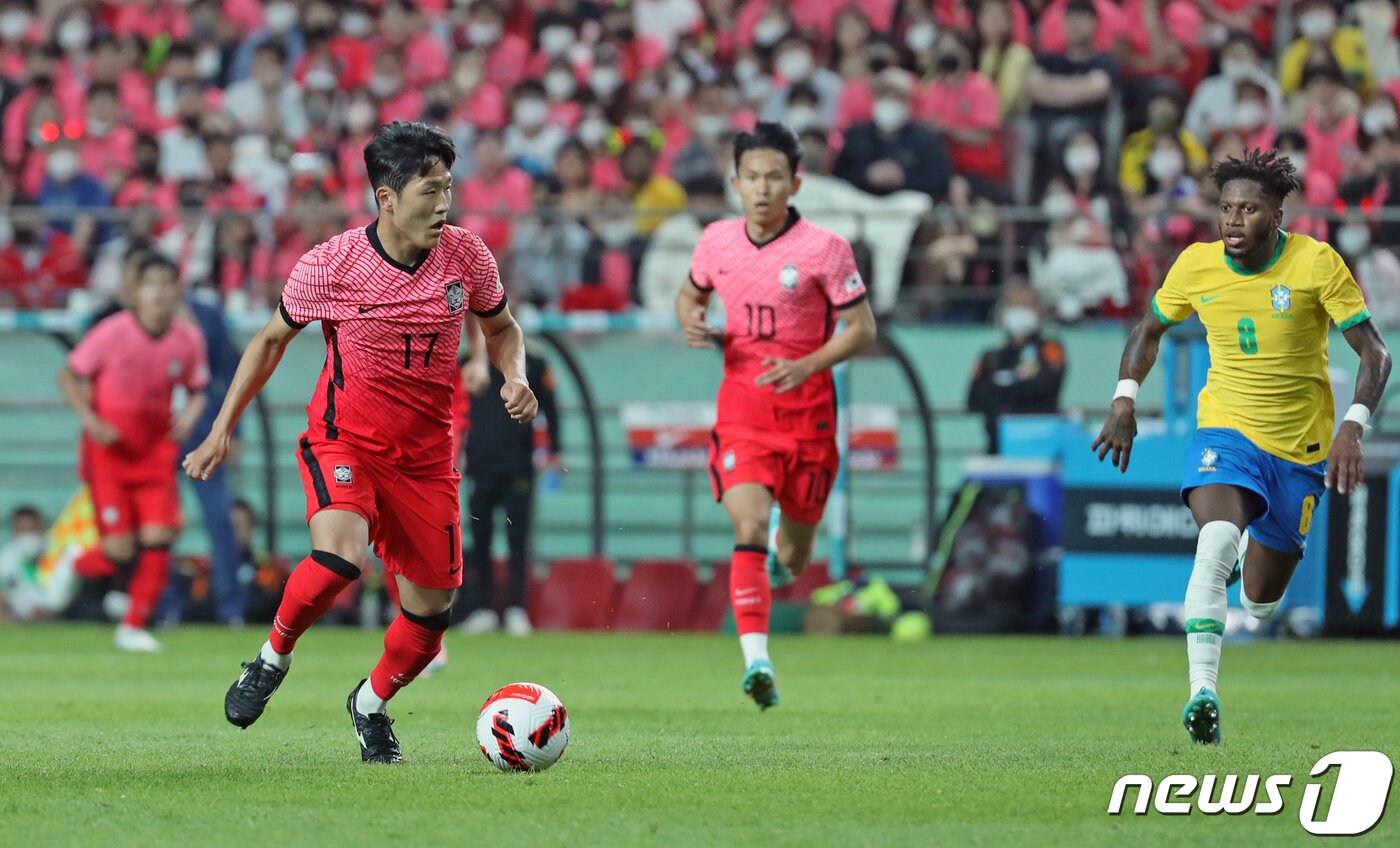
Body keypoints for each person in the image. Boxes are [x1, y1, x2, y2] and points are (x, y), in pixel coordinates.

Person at [183, 121, 538, 764]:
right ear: (386, 197)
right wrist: (220, 428)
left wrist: (515, 375)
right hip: (343, 442)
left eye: (448, 189)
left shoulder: (468, 257)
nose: (442, 204)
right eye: (429, 191)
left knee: (430, 620)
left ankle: (370, 704)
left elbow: (503, 328)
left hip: (426, 461)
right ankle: (271, 658)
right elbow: (268, 343)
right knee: (340, 557)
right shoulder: (332, 265)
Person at [1092, 149, 1392, 745]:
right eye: (1226, 208)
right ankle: (1203, 692)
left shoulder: (1315, 264)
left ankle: (1243, 571)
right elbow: (1148, 330)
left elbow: (1375, 353)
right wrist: (1124, 397)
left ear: (1277, 214)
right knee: (1216, 539)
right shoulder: (1197, 266)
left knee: (1260, 601)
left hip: (1300, 451)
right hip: (1226, 432)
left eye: (1249, 209)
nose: (1233, 220)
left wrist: (1353, 426)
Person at [675, 122, 878, 709]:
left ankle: (772, 562)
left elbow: (863, 329)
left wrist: (808, 365)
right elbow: (690, 294)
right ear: (734, 182)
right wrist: (690, 318)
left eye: (773, 178)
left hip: (810, 419)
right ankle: (757, 661)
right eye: (751, 177)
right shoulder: (715, 241)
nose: (761, 189)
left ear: (795, 182)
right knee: (745, 530)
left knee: (792, 553)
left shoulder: (825, 249)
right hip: (743, 408)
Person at [57, 256, 210, 651]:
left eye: (165, 283)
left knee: (160, 535)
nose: (158, 292)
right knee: (120, 550)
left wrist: (191, 417)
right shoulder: (111, 332)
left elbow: (198, 387)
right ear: (134, 293)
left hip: (156, 450)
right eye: (150, 284)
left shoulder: (187, 338)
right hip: (109, 451)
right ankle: (73, 563)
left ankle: (132, 624)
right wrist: (91, 420)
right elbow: (69, 376)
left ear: (177, 291)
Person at [457, 345, 562, 636]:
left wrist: (556, 449)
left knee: (518, 542)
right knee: (481, 543)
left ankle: (516, 609)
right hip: (479, 465)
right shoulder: (467, 363)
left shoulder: (534, 361)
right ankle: (484, 610)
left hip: (518, 466)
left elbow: (550, 406)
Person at [967, 284, 1066, 454]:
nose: (1019, 312)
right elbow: (974, 399)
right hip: (997, 448)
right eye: (1013, 305)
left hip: (1040, 448)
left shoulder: (1051, 350)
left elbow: (1045, 387)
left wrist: (1001, 390)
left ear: (1037, 309)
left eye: (1025, 305)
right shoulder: (990, 357)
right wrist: (1020, 384)